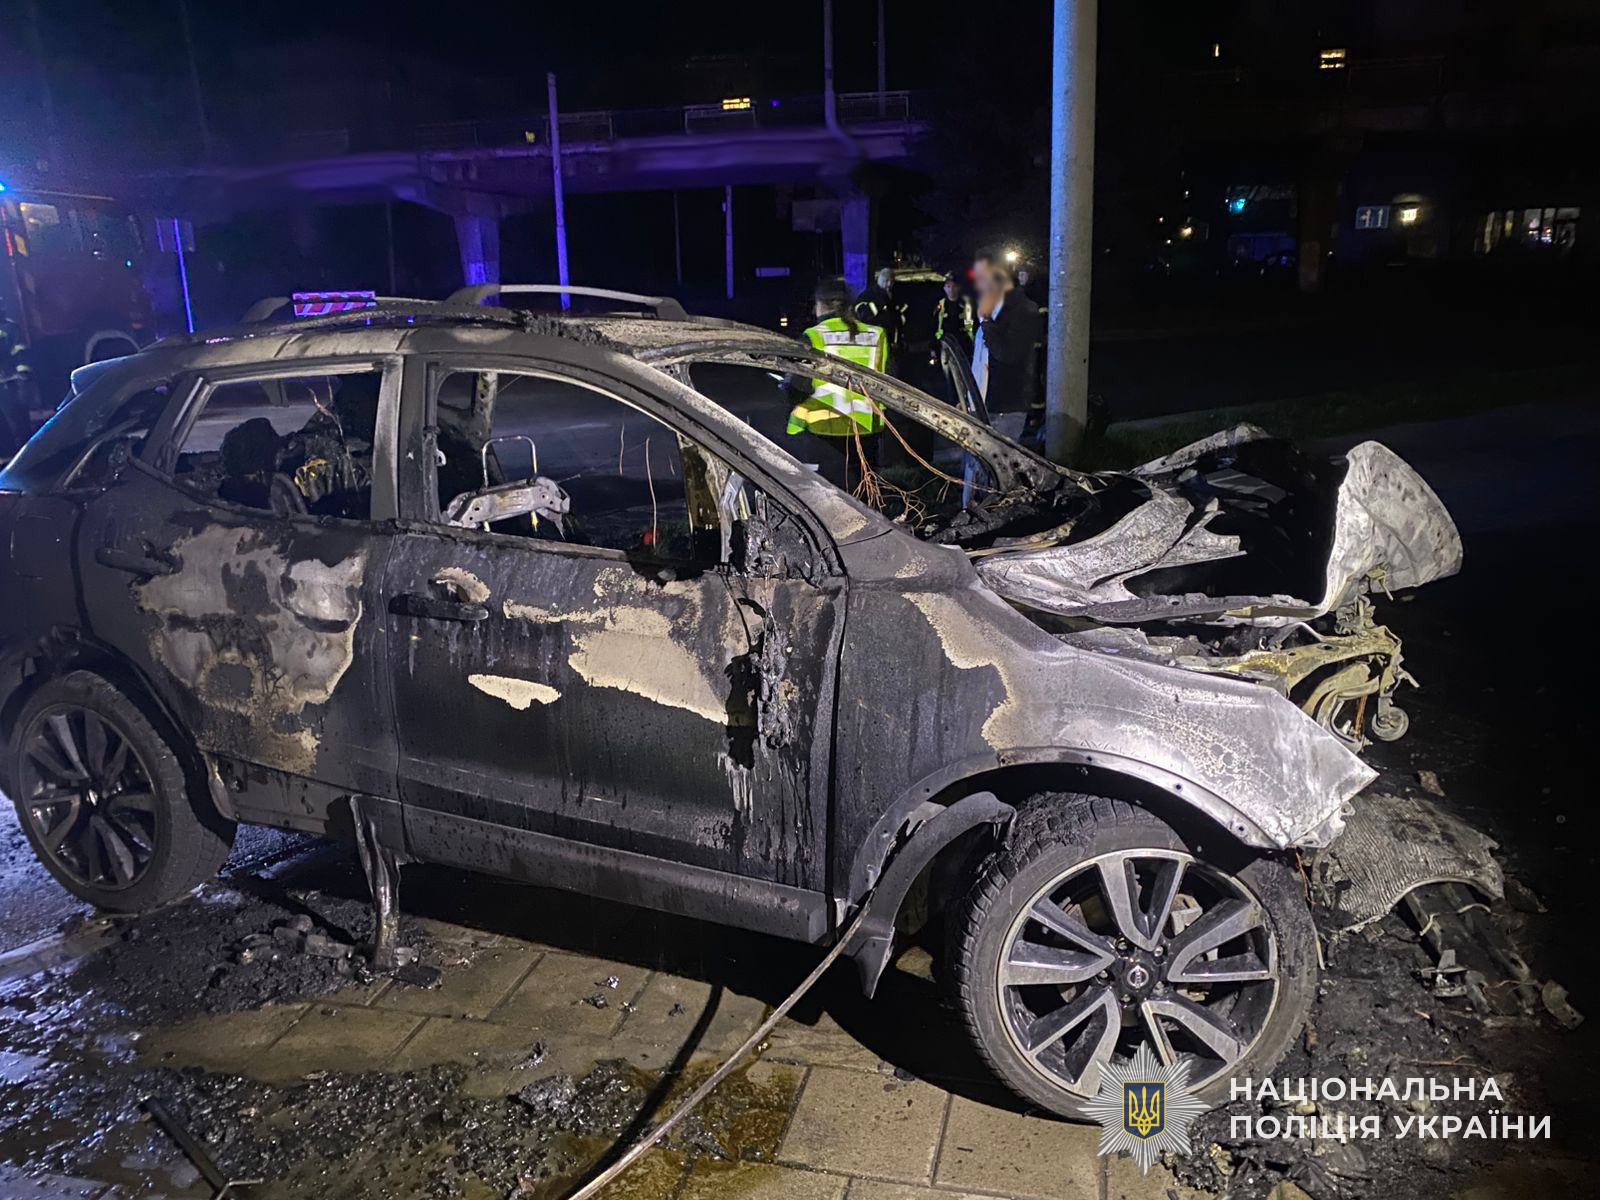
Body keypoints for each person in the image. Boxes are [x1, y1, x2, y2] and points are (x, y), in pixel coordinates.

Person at [789, 278, 888, 489]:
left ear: (820, 305)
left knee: (829, 496)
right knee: (864, 493)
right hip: (865, 431)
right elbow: (889, 382)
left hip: (824, 433)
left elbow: (796, 386)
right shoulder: (876, 335)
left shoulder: (814, 336)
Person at [970, 252, 1043, 441]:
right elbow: (980, 360)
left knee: (997, 458)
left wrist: (987, 324)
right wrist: (969, 397)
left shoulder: (1024, 309)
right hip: (982, 407)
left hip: (1005, 410)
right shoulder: (990, 307)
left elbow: (1008, 353)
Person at [853, 267, 906, 373]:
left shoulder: (895, 295)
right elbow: (862, 314)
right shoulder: (868, 295)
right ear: (880, 280)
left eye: (892, 281)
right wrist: (880, 302)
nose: (889, 284)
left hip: (892, 344)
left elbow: (900, 316)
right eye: (886, 281)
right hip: (873, 343)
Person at [931, 272, 975, 361]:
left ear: (958, 288)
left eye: (954, 286)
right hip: (945, 344)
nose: (951, 289)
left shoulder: (966, 305)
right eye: (948, 286)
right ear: (944, 288)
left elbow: (972, 326)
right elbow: (934, 327)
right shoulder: (941, 305)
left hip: (963, 344)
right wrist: (933, 348)